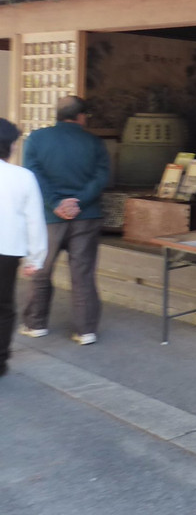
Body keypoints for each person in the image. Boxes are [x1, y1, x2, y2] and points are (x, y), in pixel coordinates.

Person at [20, 96, 111, 346]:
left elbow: (33, 173)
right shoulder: (94, 142)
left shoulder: (36, 139)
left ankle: (35, 324)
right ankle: (85, 331)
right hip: (87, 216)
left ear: (57, 114)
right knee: (82, 274)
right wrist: (78, 201)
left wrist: (55, 203)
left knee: (41, 270)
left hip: (48, 218)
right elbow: (102, 176)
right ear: (82, 117)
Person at [0, 120, 47, 377]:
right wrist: (35, 258)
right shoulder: (23, 177)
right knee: (3, 306)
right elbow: (34, 220)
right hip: (7, 250)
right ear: (13, 146)